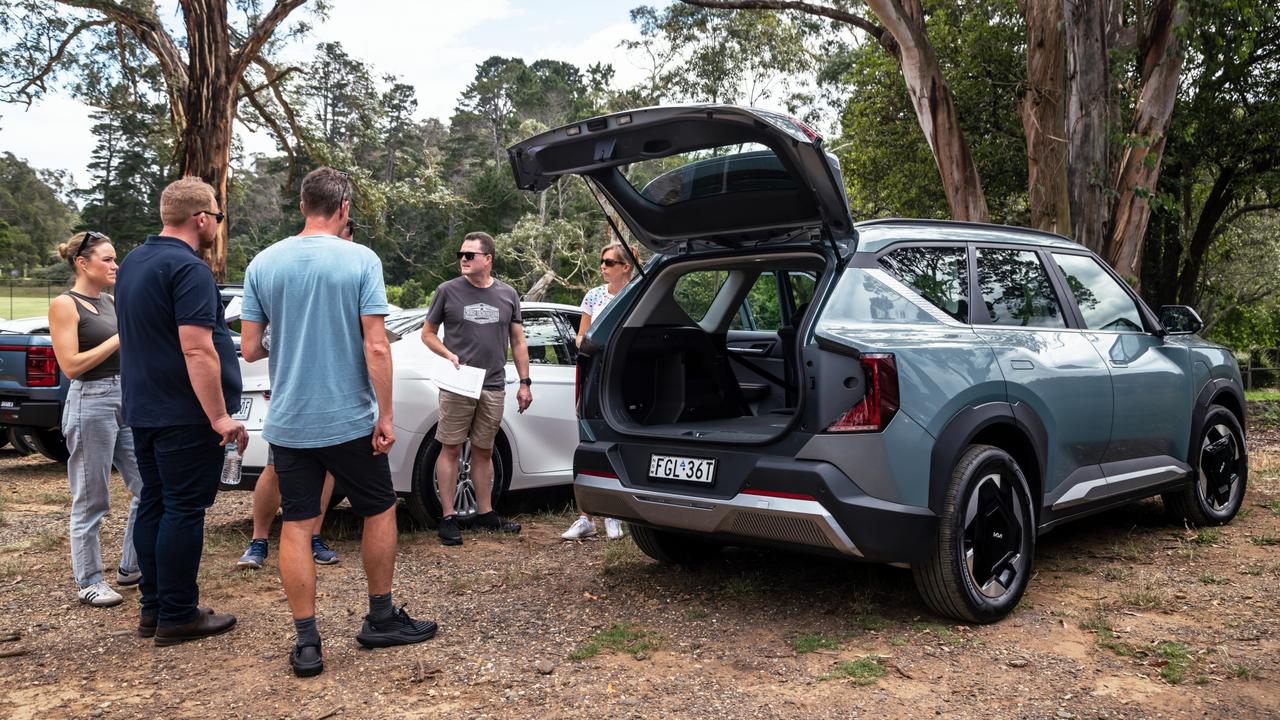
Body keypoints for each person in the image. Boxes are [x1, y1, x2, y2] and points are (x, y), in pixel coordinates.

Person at [240, 167, 436, 678]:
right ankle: (380, 617)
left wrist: (289, 339)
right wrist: (386, 413)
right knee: (378, 509)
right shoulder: (360, 260)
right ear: (344, 207)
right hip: (348, 418)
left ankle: (307, 643)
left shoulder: (264, 262)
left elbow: (249, 347)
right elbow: (375, 344)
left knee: (299, 526)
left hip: (289, 421)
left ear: (303, 205)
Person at [115, 177, 243, 645]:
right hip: (185, 413)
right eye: (218, 216)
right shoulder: (188, 269)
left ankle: (154, 607)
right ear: (202, 218)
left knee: (155, 502)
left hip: (144, 408)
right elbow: (198, 349)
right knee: (184, 510)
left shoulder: (132, 262)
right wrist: (219, 416)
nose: (217, 225)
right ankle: (178, 613)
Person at [235, 218, 353, 569]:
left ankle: (314, 536)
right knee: (275, 469)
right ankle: (258, 541)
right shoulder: (287, 271)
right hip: (292, 397)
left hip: (338, 396)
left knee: (329, 471)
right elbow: (254, 346)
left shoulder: (352, 275)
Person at [47, 231, 143, 606]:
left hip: (126, 399)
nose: (115, 265)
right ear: (82, 263)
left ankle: (131, 567)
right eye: (107, 259)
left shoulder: (110, 302)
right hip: (91, 400)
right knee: (92, 498)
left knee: (148, 486)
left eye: (115, 258)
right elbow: (70, 366)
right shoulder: (64, 305)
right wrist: (120, 336)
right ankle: (89, 580)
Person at [421, 231, 531, 547]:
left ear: (488, 258)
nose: (464, 260)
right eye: (461, 255)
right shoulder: (447, 291)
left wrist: (524, 382)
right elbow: (427, 334)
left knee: (484, 450)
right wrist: (447, 353)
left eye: (470, 255)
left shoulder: (508, 294)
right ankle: (448, 517)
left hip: (494, 384)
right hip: (458, 383)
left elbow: (518, 341)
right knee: (451, 447)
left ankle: (485, 513)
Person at [562, 241, 634, 541]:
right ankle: (585, 517)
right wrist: (589, 344)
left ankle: (615, 514)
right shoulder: (593, 296)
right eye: (601, 261)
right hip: (596, 373)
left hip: (628, 375)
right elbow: (580, 337)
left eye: (609, 262)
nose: (602, 266)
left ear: (625, 267)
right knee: (589, 437)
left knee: (619, 442)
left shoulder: (639, 292)